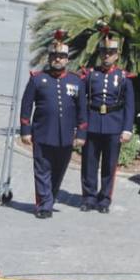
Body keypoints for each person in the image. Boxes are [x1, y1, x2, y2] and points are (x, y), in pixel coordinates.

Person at [19, 31, 87, 218]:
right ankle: (44, 205)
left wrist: (81, 134)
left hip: (65, 136)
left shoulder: (76, 81)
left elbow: (82, 110)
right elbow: (26, 106)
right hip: (42, 133)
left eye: (62, 57)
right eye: (55, 56)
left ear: (67, 59)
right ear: (49, 58)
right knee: (42, 170)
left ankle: (50, 197)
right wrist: (26, 130)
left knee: (59, 171)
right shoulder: (38, 79)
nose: (58, 60)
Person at [81, 28, 136, 213]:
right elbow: (82, 101)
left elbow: (129, 105)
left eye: (110, 53)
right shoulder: (89, 75)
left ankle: (104, 199)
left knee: (109, 164)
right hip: (92, 122)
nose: (106, 56)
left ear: (117, 55)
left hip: (114, 124)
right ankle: (89, 197)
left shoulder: (123, 77)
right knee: (89, 163)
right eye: (104, 52)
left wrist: (127, 128)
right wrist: (80, 126)